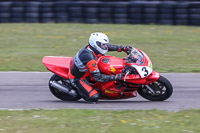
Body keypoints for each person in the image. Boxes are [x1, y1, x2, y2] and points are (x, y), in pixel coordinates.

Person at [68, 32, 132, 103]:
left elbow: (108, 47)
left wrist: (122, 48)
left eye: (105, 45)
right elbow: (98, 77)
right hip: (78, 78)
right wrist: (116, 77)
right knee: (94, 97)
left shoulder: (92, 48)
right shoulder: (90, 58)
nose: (105, 47)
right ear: (95, 44)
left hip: (85, 69)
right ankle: (80, 91)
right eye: (103, 45)